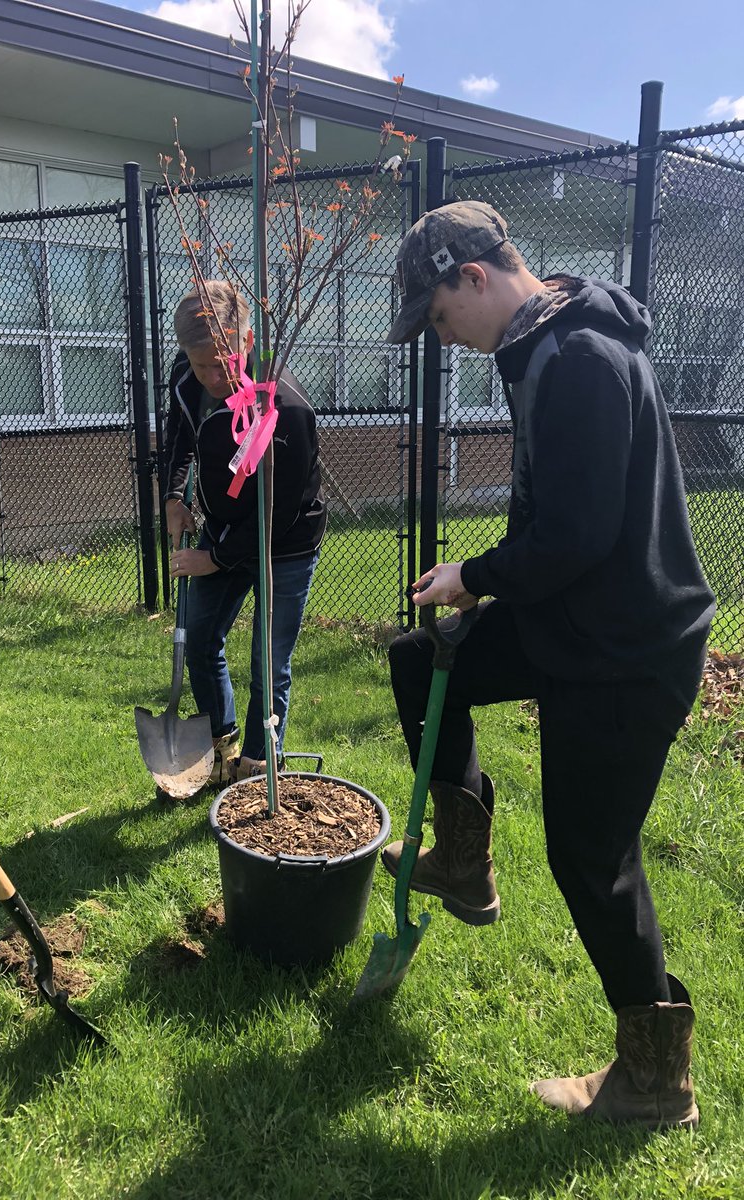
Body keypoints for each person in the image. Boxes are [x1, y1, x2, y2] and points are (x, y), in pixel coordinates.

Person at [383, 200, 715, 1127]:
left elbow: (577, 534)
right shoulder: (541, 348)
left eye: (441, 317)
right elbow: (557, 516)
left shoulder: (579, 361)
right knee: (425, 659)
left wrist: (476, 574)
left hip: (628, 649)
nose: (443, 338)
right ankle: (462, 861)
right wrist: (485, 587)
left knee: (590, 856)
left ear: (474, 277)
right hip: (578, 619)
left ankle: (656, 1080)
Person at [163, 280, 326, 784]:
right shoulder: (186, 378)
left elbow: (277, 512)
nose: (212, 376)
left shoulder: (288, 408)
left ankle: (258, 765)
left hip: (286, 543)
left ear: (248, 342)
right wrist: (173, 496)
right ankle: (220, 744)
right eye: (200, 364)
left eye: (223, 363)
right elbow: (178, 439)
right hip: (225, 525)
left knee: (267, 660)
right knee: (199, 636)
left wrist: (213, 559)